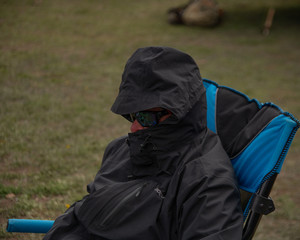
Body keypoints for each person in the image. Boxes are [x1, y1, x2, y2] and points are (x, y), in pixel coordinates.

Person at [44, 46, 243, 240]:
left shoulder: (208, 182)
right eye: (132, 115)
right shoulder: (122, 149)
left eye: (146, 117)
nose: (134, 127)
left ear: (179, 113)